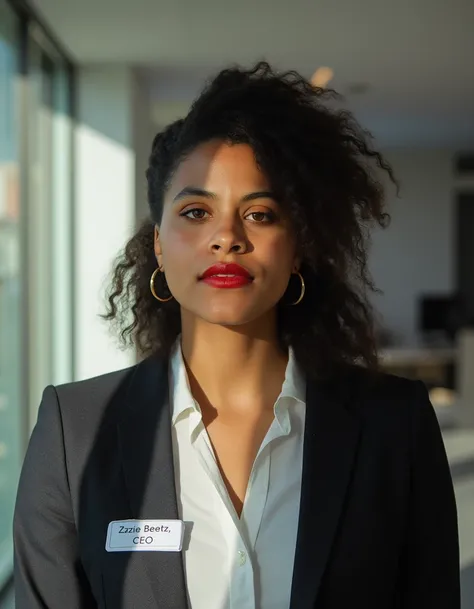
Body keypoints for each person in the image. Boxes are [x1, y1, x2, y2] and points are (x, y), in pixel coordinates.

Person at [13, 62, 459, 609]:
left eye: (261, 214)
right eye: (197, 211)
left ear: (298, 247)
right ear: (158, 243)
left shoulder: (396, 424)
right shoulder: (72, 432)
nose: (226, 237)